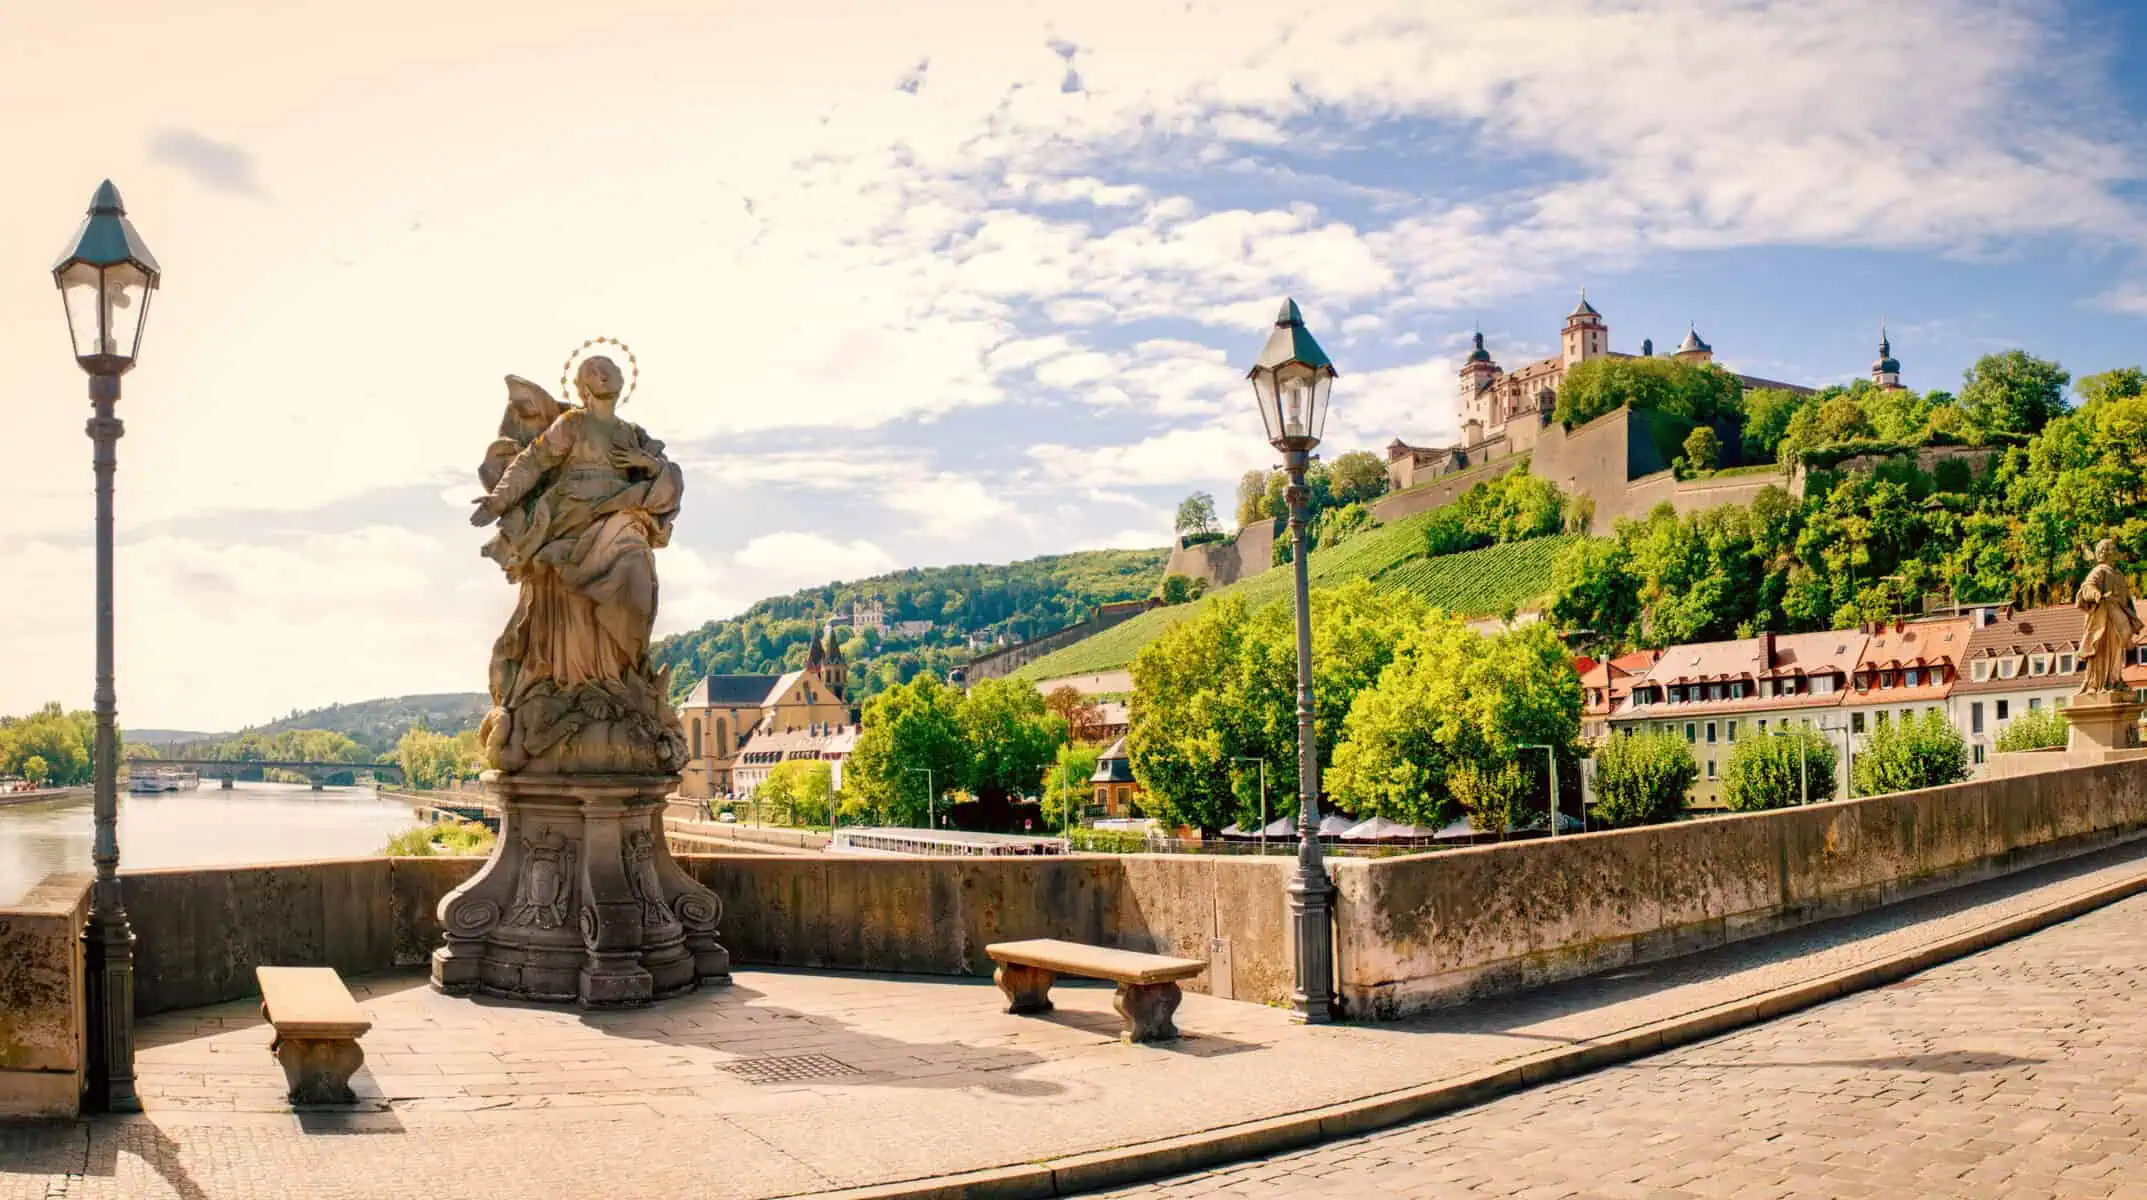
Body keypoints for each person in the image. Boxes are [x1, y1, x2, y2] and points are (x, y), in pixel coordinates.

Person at [2074, 538, 2141, 697]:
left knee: (2116, 651)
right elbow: (2087, 587)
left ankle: (2114, 679)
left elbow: (2126, 599)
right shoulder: (2100, 571)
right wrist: (2097, 594)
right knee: (2102, 649)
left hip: (2118, 617)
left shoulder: (2119, 574)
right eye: (2112, 549)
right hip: (2104, 618)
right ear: (2103, 553)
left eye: (2115, 548)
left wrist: (2132, 618)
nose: (2115, 551)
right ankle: (2098, 682)